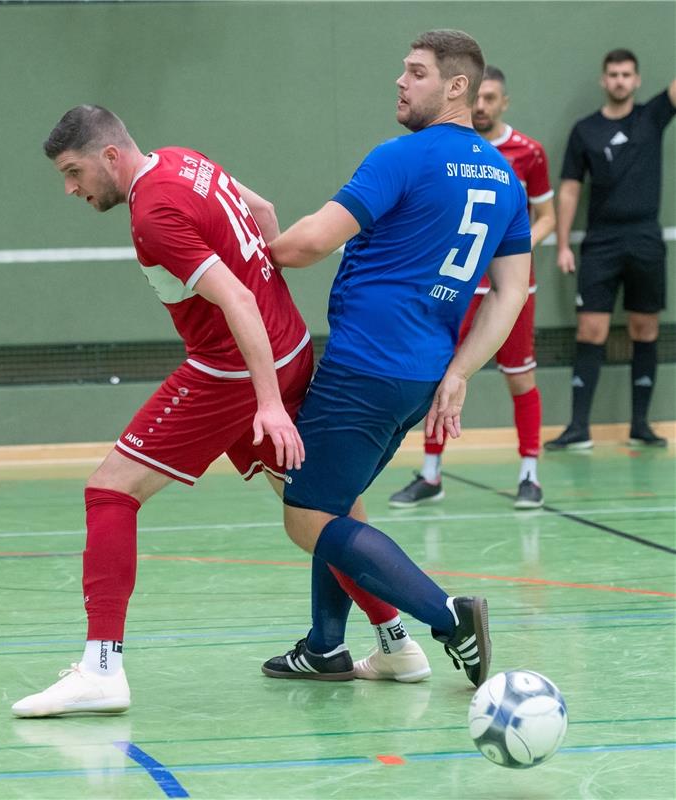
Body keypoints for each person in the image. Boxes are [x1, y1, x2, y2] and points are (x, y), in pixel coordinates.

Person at [11, 106, 430, 718]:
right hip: (288, 345)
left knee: (110, 492)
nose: (71, 188)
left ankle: (101, 668)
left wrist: (266, 404)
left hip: (231, 370)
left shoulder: (152, 213)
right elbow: (260, 213)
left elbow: (234, 297)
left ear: (108, 156)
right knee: (324, 505)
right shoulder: (186, 161)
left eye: (73, 172)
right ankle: (396, 643)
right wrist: (265, 296)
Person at [259, 30, 531, 686]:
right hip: (420, 374)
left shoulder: (401, 157)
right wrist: (460, 373)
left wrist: (245, 241)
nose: (400, 83)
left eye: (414, 72)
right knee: (338, 498)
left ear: (456, 86)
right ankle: (325, 646)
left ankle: (447, 618)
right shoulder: (504, 178)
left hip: (364, 366)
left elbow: (305, 245)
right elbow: (511, 292)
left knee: (307, 516)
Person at [389, 66, 555, 510]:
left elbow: (547, 218)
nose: (482, 106)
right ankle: (430, 474)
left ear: (504, 102)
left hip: (510, 287)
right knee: (440, 378)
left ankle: (529, 474)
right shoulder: (452, 150)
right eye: (478, 98)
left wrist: (509, 251)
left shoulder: (527, 153)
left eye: (491, 99)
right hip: (458, 284)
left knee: (520, 378)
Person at [545, 51, 676, 451]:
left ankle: (641, 425)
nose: (620, 80)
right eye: (613, 74)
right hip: (600, 243)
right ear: (604, 80)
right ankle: (578, 428)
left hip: (645, 240)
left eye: (626, 75)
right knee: (591, 330)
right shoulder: (585, 130)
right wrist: (564, 244)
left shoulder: (652, 116)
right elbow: (568, 189)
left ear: (637, 81)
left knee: (644, 330)